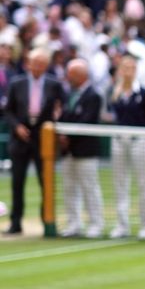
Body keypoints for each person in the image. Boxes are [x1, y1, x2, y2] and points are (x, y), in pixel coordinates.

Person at [3, 48, 63, 235]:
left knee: (45, 181)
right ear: (28, 64)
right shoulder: (16, 83)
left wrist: (55, 119)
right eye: (34, 63)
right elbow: (8, 110)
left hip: (42, 139)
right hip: (20, 139)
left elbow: (62, 106)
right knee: (17, 182)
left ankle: (47, 222)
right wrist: (17, 127)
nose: (37, 67)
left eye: (41, 64)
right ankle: (15, 223)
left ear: (46, 66)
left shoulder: (54, 85)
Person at [107, 53, 145, 239]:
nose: (128, 71)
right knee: (120, 184)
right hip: (119, 141)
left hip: (140, 141)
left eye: (131, 68)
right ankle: (122, 225)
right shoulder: (115, 93)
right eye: (124, 68)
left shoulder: (144, 94)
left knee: (144, 184)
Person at [58, 58, 103, 238]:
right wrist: (62, 134)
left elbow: (87, 121)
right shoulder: (69, 94)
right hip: (68, 151)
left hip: (85, 151)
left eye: (71, 74)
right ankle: (73, 223)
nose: (68, 77)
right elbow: (63, 116)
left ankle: (96, 224)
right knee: (69, 188)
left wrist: (68, 136)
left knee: (89, 188)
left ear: (80, 75)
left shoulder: (94, 96)